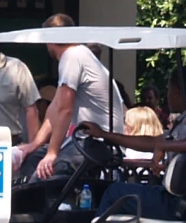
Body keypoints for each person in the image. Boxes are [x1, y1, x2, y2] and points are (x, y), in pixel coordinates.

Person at [78, 60, 186, 220]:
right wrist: (105, 134)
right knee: (123, 192)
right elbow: (152, 143)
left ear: (177, 92)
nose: (167, 97)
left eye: (168, 91)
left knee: (113, 192)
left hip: (183, 204)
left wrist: (163, 146)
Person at [33, 14, 122, 181]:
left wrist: (52, 153)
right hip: (86, 140)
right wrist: (34, 145)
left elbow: (65, 109)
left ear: (49, 40)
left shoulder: (72, 56)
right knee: (31, 160)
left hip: (100, 142)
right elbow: (55, 107)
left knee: (42, 176)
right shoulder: (78, 55)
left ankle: (54, 207)